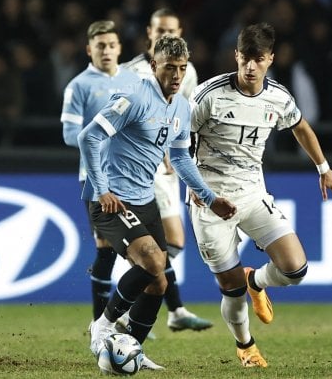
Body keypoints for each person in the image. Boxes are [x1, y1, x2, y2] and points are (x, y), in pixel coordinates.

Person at [188, 23, 332, 368]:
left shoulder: (278, 97)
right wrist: (197, 188)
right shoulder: (207, 95)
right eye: (245, 58)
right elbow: (177, 142)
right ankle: (246, 347)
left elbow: (300, 126)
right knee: (230, 287)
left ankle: (255, 279)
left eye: (258, 59)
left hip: (253, 195)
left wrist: (323, 168)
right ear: (236, 56)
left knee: (295, 269)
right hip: (210, 202)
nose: (250, 66)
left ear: (270, 59)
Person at [80, 35, 237, 371]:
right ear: (154, 66)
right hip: (112, 200)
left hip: (145, 200)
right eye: (169, 68)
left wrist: (209, 198)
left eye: (182, 68)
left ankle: (132, 348)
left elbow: (180, 157)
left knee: (159, 281)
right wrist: (103, 188)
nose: (177, 75)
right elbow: (89, 136)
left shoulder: (181, 105)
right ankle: (103, 325)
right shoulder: (134, 95)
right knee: (152, 261)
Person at [121, 7, 213, 333]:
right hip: (140, 166)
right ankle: (148, 305)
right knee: (161, 245)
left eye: (171, 30)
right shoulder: (130, 71)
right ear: (149, 31)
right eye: (160, 30)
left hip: (169, 164)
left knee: (171, 243)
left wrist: (181, 156)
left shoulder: (187, 72)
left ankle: (156, 302)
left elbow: (186, 117)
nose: (165, 36)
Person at [60, 20, 140, 325]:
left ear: (119, 48)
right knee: (107, 251)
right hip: (97, 179)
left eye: (111, 45)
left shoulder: (134, 81)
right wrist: (105, 136)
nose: (106, 50)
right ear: (89, 49)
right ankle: (103, 321)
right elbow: (70, 134)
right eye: (100, 45)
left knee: (142, 253)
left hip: (135, 177)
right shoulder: (78, 85)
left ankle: (120, 318)